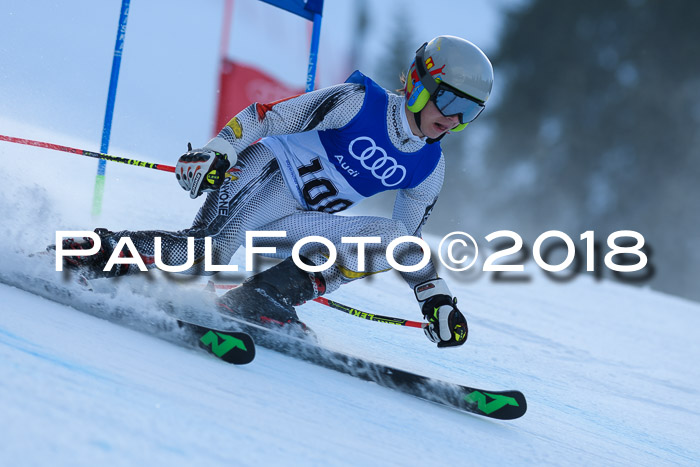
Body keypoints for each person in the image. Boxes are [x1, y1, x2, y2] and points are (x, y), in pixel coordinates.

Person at [59, 35, 494, 348]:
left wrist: (434, 297)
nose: (455, 119)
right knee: (204, 258)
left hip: (298, 217)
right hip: (264, 175)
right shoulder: (360, 103)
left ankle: (264, 297)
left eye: (470, 111)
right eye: (450, 102)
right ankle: (91, 254)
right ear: (420, 84)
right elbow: (266, 116)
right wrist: (220, 148)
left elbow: (404, 245)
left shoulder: (428, 169)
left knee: (390, 238)